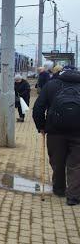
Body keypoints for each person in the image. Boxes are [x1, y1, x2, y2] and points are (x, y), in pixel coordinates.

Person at [33, 65, 80, 206]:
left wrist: (41, 126)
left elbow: (38, 107)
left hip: (55, 132)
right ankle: (73, 196)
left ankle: (59, 189)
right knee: (76, 164)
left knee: (57, 162)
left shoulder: (51, 85)